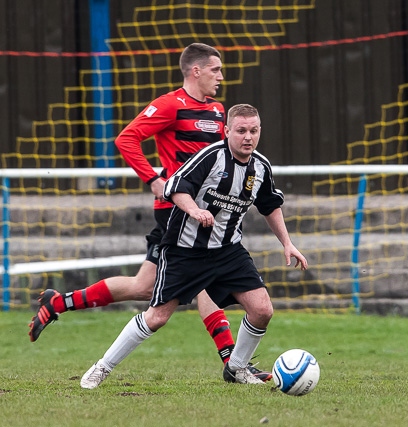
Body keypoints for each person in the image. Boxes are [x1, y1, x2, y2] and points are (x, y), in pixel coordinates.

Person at [28, 43, 270, 381]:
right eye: (215, 69)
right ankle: (234, 364)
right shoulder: (170, 105)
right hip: (175, 210)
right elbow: (127, 139)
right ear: (195, 71)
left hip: (207, 212)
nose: (221, 76)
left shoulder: (218, 111)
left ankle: (59, 303)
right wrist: (154, 179)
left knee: (146, 285)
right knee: (198, 282)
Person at [80, 103, 307, 389]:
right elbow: (174, 187)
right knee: (157, 317)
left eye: (253, 131)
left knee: (262, 310)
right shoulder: (210, 157)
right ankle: (103, 367)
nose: (248, 137)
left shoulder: (260, 166)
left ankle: (236, 369)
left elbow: (270, 206)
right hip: (185, 250)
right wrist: (194, 211)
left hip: (228, 251)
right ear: (226, 132)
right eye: (241, 131)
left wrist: (288, 244)